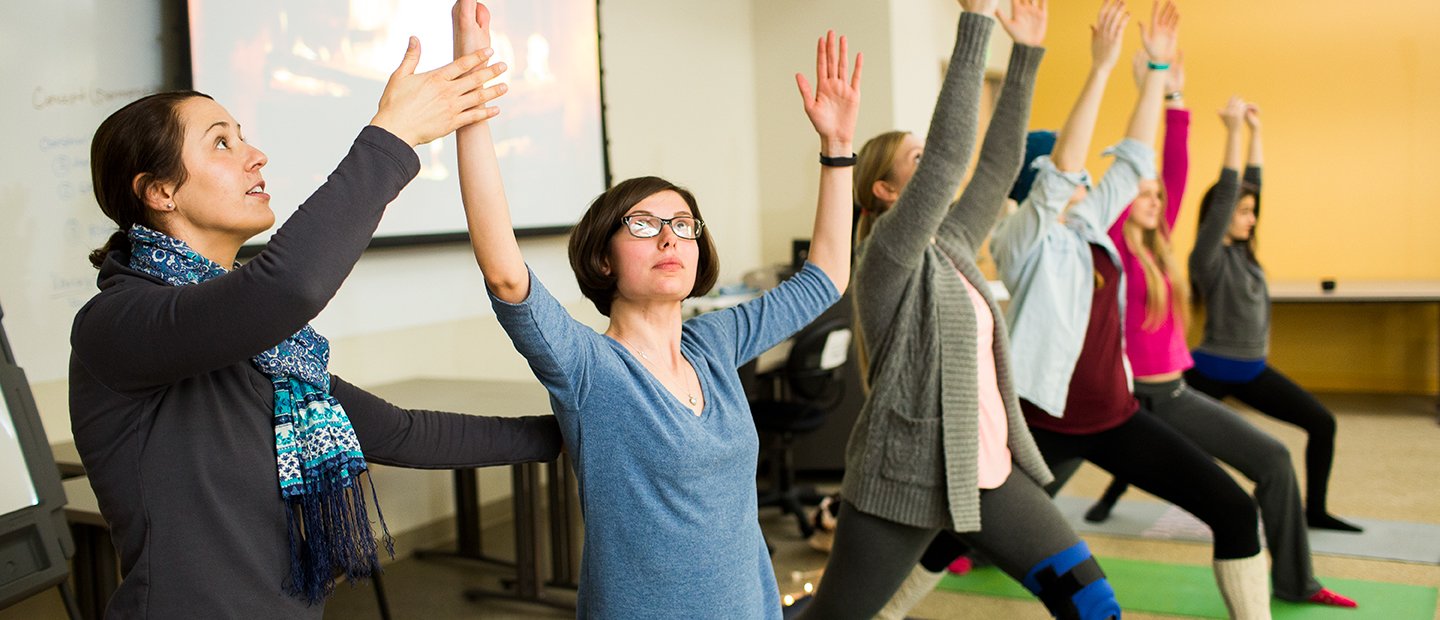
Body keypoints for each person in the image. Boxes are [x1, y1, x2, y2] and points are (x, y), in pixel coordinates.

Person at [69, 40, 563, 618]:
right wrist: (393, 136)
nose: (256, 155)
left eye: (242, 135)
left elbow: (401, 433)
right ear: (160, 191)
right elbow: (287, 287)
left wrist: (578, 429)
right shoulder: (119, 322)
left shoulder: (272, 351)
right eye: (222, 143)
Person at [449, 2, 860, 617]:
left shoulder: (714, 345)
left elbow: (826, 276)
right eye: (642, 224)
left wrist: (837, 147)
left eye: (683, 225)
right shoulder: (588, 367)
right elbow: (507, 274)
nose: (669, 237)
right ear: (604, 258)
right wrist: (471, 102)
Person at [794, 2, 1125, 619]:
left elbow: (997, 167)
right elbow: (950, 163)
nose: (935, 171)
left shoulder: (949, 248)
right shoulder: (885, 255)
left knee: (1094, 605)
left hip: (987, 474)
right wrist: (974, 26)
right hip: (903, 484)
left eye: (926, 158)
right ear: (886, 192)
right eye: (914, 162)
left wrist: (1024, 54)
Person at [987, 1, 1276, 617]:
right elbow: (1066, 167)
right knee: (951, 528)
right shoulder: (1019, 240)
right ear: (1035, 185)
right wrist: (1100, 68)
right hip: (1040, 424)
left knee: (1234, 509)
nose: (1087, 181)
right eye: (1066, 176)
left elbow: (1137, 160)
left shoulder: (1092, 227)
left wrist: (1156, 74)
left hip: (1112, 417)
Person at [1083, 91, 1356, 607]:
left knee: (1274, 460)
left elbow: (1176, 174)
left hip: (1173, 393)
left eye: (1159, 196)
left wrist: (1185, 100)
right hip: (1123, 396)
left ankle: (1299, 582)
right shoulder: (1113, 245)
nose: (1156, 199)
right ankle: (971, 545)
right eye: (1143, 193)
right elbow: (1174, 171)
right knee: (1035, 475)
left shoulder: (1160, 246)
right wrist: (1164, 92)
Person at [1185, 101, 1365, 535]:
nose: (1251, 218)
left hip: (1251, 372)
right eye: (1243, 212)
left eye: (1252, 212)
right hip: (1210, 369)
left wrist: (1256, 131)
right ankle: (1113, 492)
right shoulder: (1208, 258)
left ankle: (1315, 511)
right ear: (1221, 216)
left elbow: (1252, 188)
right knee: (1160, 430)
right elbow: (1229, 190)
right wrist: (1231, 132)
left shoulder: (1247, 254)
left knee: (1322, 423)